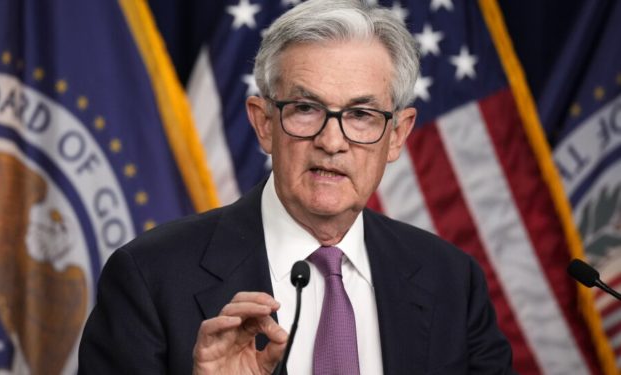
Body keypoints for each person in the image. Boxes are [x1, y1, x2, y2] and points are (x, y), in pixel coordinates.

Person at [78, 0, 515, 374]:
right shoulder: (149, 278)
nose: (331, 141)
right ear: (264, 124)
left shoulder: (452, 281)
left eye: (361, 115)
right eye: (306, 108)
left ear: (397, 135)